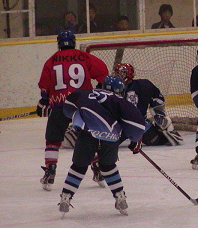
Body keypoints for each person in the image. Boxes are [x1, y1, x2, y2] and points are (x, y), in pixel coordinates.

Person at [64, 63, 183, 187]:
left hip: (137, 124)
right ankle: (97, 163)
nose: (120, 76)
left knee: (158, 140)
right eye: (118, 73)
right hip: (115, 126)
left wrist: (158, 113)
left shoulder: (143, 85)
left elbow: (157, 99)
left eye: (123, 74)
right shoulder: (107, 87)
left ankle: (168, 134)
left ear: (130, 75)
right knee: (103, 146)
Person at [58, 76, 146, 216]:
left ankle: (66, 197)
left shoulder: (85, 92)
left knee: (79, 166)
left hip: (88, 133)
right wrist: (134, 139)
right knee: (108, 165)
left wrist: (78, 118)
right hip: (110, 136)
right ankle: (119, 196)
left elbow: (68, 107)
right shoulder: (120, 100)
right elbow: (137, 124)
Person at [37, 30, 108, 191]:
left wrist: (44, 100)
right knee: (88, 138)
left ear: (59, 43)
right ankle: (97, 169)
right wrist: (99, 87)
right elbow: (102, 71)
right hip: (83, 104)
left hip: (60, 104)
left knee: (53, 139)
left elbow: (44, 85)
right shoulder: (84, 56)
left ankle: (50, 171)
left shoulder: (52, 60)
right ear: (74, 42)